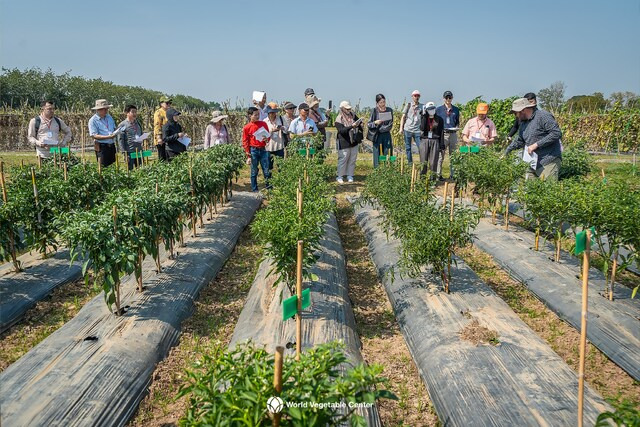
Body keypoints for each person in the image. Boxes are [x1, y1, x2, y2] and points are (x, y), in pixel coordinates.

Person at [505, 98, 563, 181]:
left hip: (548, 160)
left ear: (523, 110)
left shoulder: (543, 116)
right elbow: (519, 140)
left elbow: (556, 133)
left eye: (515, 113)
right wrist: (507, 151)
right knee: (529, 190)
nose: (515, 116)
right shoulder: (523, 123)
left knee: (547, 190)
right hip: (532, 163)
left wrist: (536, 145)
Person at [242, 107, 271, 192]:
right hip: (253, 150)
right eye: (255, 115)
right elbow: (245, 141)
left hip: (263, 149)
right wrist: (248, 154)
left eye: (258, 114)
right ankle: (255, 189)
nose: (257, 116)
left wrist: (266, 139)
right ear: (250, 116)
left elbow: (267, 137)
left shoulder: (263, 124)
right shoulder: (247, 127)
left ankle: (268, 187)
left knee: (266, 169)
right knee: (254, 170)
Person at [335, 101, 363, 183]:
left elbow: (359, 123)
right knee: (343, 159)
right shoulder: (339, 118)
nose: (348, 110)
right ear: (342, 109)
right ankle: (339, 176)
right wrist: (351, 126)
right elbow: (341, 130)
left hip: (354, 140)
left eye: (349, 108)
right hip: (344, 141)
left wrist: (360, 124)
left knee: (352, 159)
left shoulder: (353, 115)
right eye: (347, 108)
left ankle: (350, 175)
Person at [435, 90, 461, 180]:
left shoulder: (456, 110)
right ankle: (438, 175)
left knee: (453, 156)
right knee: (440, 155)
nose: (448, 99)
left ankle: (453, 175)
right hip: (443, 134)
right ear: (443, 99)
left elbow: (457, 122)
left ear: (452, 98)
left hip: (453, 134)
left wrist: (457, 127)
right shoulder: (438, 110)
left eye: (450, 97)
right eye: (446, 97)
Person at [88, 99, 119, 167]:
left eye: (107, 109)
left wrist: (117, 131)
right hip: (102, 147)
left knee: (113, 166)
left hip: (111, 146)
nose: (106, 110)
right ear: (98, 110)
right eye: (104, 109)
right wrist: (108, 137)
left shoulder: (109, 117)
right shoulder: (93, 120)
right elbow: (94, 135)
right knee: (103, 167)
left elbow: (114, 128)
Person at [367, 94, 393, 168]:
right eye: (381, 102)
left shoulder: (389, 110)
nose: (383, 104)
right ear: (377, 103)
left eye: (384, 102)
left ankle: (387, 168)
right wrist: (375, 123)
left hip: (386, 134)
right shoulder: (374, 111)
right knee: (377, 152)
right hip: (377, 135)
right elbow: (369, 124)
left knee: (387, 151)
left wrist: (382, 129)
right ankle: (377, 170)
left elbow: (390, 124)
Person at [419, 102, 444, 176]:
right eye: (429, 109)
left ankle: (432, 179)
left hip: (435, 140)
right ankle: (423, 179)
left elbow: (441, 132)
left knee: (433, 162)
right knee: (423, 161)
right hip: (425, 140)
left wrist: (441, 144)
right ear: (426, 110)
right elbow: (422, 128)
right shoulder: (424, 118)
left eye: (433, 108)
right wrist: (423, 116)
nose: (431, 110)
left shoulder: (439, 119)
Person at [399, 90, 423, 164]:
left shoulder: (422, 106)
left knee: (421, 147)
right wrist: (401, 128)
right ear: (412, 97)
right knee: (408, 147)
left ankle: (422, 163)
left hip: (418, 130)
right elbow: (403, 117)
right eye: (415, 96)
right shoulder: (408, 105)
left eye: (418, 96)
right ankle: (410, 163)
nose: (416, 97)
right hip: (408, 129)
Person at [117, 104, 144, 170]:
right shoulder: (123, 125)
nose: (135, 114)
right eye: (133, 112)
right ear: (127, 113)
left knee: (141, 169)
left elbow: (141, 134)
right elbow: (120, 139)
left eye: (135, 112)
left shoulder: (138, 123)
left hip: (139, 150)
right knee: (130, 170)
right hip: (129, 151)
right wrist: (124, 153)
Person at [264, 102, 286, 170]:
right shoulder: (264, 122)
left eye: (274, 112)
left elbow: (287, 129)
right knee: (268, 167)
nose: (273, 114)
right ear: (268, 113)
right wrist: (272, 131)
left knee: (281, 167)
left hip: (279, 146)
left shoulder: (281, 119)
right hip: (269, 147)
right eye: (271, 112)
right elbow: (263, 135)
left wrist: (282, 128)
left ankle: (281, 180)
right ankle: (268, 180)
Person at [154, 96, 172, 162]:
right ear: (161, 104)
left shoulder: (169, 112)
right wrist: (159, 138)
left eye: (170, 103)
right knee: (162, 158)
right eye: (167, 103)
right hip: (161, 139)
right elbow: (157, 126)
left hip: (168, 138)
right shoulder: (159, 112)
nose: (169, 104)